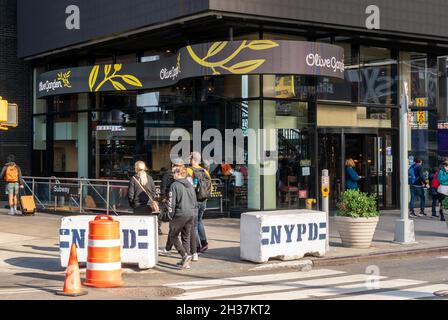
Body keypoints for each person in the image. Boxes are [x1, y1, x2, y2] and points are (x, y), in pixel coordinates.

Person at [167, 165, 198, 269]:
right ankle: (186, 260)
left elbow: (172, 202)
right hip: (191, 213)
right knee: (186, 236)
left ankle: (184, 255)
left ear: (179, 173)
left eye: (174, 172)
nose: (172, 174)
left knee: (173, 235)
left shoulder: (174, 185)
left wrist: (170, 215)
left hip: (180, 213)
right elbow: (194, 200)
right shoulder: (189, 184)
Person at [187, 151, 212, 255]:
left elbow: (187, 186)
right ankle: (204, 243)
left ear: (193, 160)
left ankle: (197, 247)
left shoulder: (189, 170)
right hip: (203, 200)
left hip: (194, 201)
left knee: (194, 225)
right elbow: (211, 186)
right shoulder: (205, 171)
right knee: (200, 221)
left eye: (189, 158)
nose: (188, 159)